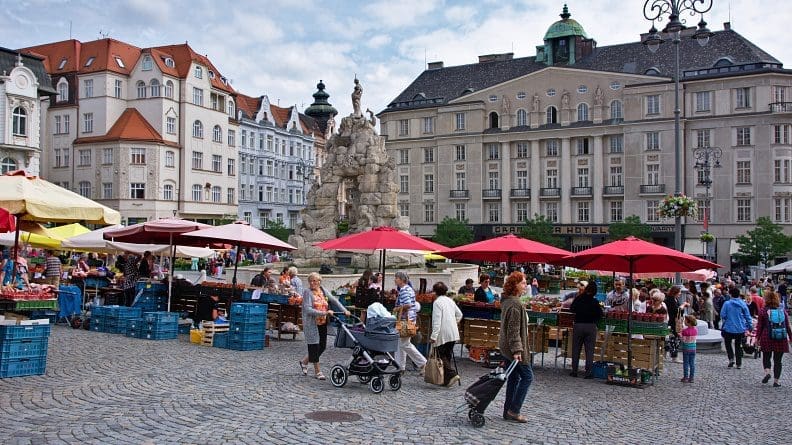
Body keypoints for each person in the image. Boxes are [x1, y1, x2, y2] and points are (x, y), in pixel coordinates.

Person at [299, 272, 350, 380]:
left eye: (314, 281)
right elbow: (308, 309)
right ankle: (318, 371)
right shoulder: (307, 292)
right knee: (314, 346)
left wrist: (345, 310)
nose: (312, 283)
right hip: (311, 323)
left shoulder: (322, 290)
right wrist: (324, 313)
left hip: (322, 322)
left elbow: (334, 300)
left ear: (319, 282)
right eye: (310, 281)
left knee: (322, 346)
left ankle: (304, 362)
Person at [498, 271, 533, 423]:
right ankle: (514, 410)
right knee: (528, 376)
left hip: (507, 347)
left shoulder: (509, 301)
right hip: (513, 348)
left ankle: (508, 410)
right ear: (515, 285)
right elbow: (513, 330)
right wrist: (517, 350)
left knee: (513, 378)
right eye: (523, 283)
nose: (526, 285)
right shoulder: (515, 304)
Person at [429, 281, 463, 387]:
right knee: (447, 355)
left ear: (435, 292)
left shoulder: (437, 302)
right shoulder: (450, 300)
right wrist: (454, 322)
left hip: (443, 333)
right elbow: (460, 314)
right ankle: (446, 380)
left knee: (441, 354)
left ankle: (452, 374)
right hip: (453, 332)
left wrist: (434, 336)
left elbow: (437, 321)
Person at [393, 271, 427, 374]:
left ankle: (422, 362)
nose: (395, 280)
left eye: (396, 278)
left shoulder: (403, 290)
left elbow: (407, 305)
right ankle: (400, 366)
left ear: (402, 279)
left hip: (405, 320)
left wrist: (397, 308)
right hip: (410, 319)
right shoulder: (410, 289)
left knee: (404, 344)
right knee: (400, 343)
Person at [757, 291, 792, 387]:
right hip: (780, 337)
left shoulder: (763, 311)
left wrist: (757, 338)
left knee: (766, 357)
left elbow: (760, 326)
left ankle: (768, 372)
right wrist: (790, 337)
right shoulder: (782, 311)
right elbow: (787, 326)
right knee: (778, 361)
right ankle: (776, 381)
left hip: (766, 336)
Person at [569, 281, 603, 379]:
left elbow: (572, 309)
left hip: (578, 325)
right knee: (589, 350)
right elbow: (600, 315)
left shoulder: (578, 299)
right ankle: (588, 372)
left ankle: (574, 371)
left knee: (576, 349)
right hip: (591, 327)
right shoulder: (595, 302)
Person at [720, 288, 753, 369]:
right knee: (738, 345)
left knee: (728, 343)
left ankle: (731, 359)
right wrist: (750, 326)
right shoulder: (743, 304)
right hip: (740, 328)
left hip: (729, 328)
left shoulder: (727, 303)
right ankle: (739, 363)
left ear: (731, 294)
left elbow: (722, 315)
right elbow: (748, 316)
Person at [680, 314, 698, 383]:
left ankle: (685, 377)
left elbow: (684, 340)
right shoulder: (695, 330)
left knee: (686, 363)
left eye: (685, 321)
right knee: (692, 363)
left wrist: (680, 335)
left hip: (686, 349)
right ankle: (691, 378)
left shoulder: (685, 331)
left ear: (688, 322)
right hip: (693, 349)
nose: (684, 322)